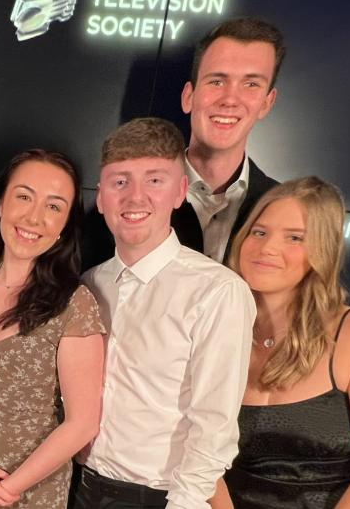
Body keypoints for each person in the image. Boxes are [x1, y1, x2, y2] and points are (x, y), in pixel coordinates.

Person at [71, 118, 256, 509]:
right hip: (75, 487)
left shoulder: (217, 292)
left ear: (180, 192)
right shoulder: (88, 284)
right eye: (120, 181)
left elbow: (214, 426)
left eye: (154, 180)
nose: (135, 197)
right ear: (100, 196)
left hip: (160, 497)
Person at [211, 176, 350, 508]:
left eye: (294, 238)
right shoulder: (214, 332)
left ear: (323, 250)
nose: (268, 248)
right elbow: (200, 464)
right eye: (259, 232)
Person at [0, 150, 106, 508]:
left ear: (65, 226)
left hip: (32, 494)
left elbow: (82, 423)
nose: (34, 217)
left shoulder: (73, 304)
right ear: (0, 204)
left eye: (53, 206)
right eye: (24, 196)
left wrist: (7, 489)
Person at [83, 17, 284, 268]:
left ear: (267, 102)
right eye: (217, 81)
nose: (230, 99)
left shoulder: (284, 207)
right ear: (189, 96)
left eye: (251, 84)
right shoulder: (116, 212)